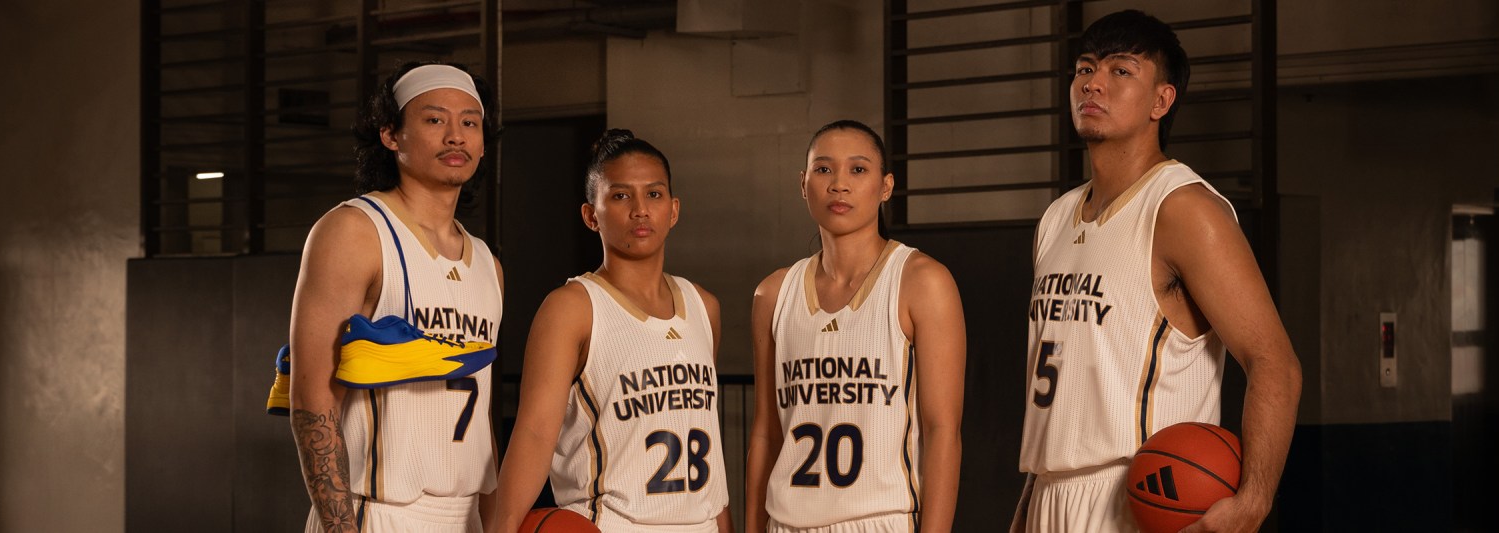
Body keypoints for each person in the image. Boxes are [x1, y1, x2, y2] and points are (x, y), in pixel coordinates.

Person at [1013, 10, 1302, 533]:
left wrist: (1253, 501)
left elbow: (1274, 362)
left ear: (1162, 100)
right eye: (1085, 68)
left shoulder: (1183, 209)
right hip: (1049, 496)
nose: (1093, 83)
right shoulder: (1056, 218)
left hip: (1140, 494)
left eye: (1121, 71)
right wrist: (1031, 504)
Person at [286, 61, 505, 532]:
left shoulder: (489, 264)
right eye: (434, 119)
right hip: (377, 512)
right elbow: (311, 394)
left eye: (470, 122)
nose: (456, 136)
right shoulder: (354, 230)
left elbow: (481, 413)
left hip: (465, 514)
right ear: (390, 135)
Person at [487, 130, 733, 533]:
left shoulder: (704, 306)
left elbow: (705, 435)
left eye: (653, 195)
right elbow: (533, 434)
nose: (640, 210)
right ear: (590, 215)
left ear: (673, 210)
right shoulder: (572, 307)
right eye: (620, 196)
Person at [743, 120, 966, 533]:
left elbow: (943, 432)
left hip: (880, 521)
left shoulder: (921, 281)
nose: (839, 185)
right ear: (803, 183)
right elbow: (765, 433)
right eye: (824, 169)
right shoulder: (773, 294)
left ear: (885, 187)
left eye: (858, 170)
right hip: (786, 522)